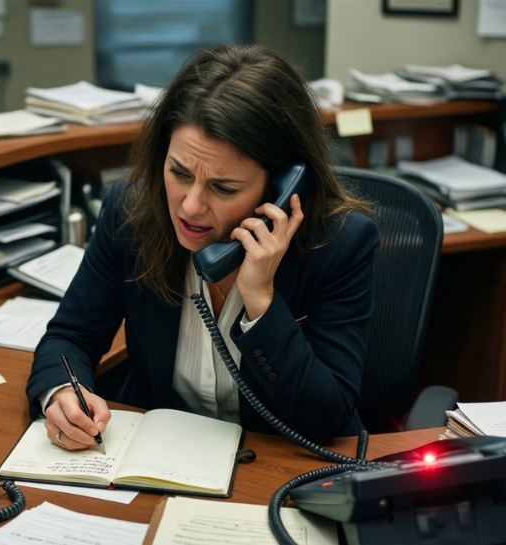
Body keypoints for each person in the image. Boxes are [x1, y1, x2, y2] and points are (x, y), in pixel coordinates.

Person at [26, 43, 379, 450]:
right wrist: (60, 395)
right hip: (160, 461)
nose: (191, 206)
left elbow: (327, 420)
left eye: (223, 187)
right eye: (179, 172)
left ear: (282, 185)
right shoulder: (131, 213)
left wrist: (261, 302)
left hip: (277, 469)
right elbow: (70, 337)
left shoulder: (339, 244)